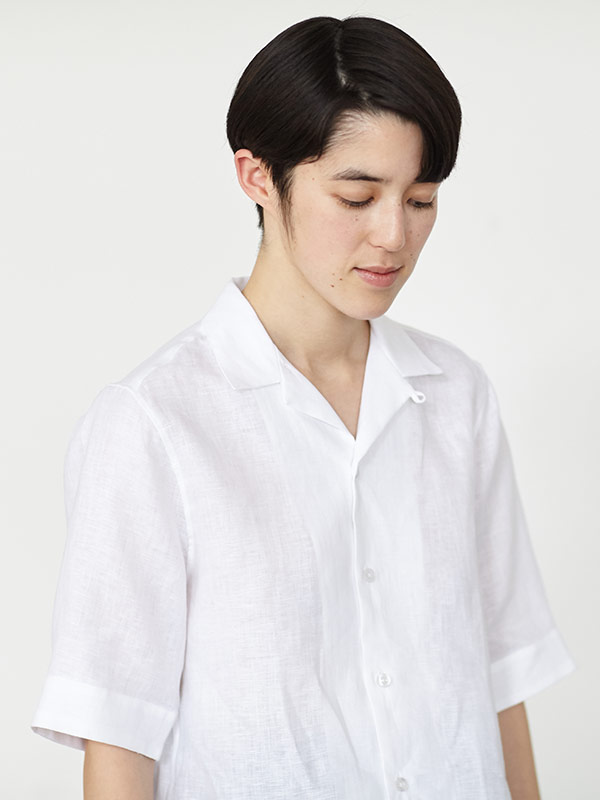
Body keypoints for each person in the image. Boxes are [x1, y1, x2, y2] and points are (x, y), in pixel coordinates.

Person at [31, 15, 576, 800]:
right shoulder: (154, 425)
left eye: (421, 199)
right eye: (357, 196)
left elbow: (501, 682)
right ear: (257, 176)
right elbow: (118, 742)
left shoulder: (457, 396)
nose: (393, 235)